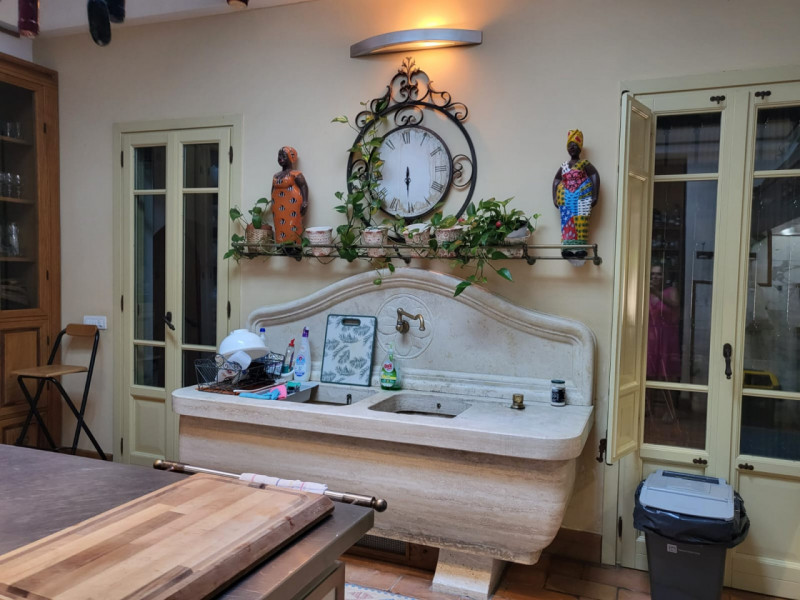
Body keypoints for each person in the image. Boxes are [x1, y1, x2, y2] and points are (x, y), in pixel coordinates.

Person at [552, 129, 600, 259]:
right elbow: (556, 180)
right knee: (566, 222)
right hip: (566, 199)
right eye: (570, 145)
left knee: (581, 221)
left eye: (575, 145)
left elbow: (594, 175)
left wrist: (595, 195)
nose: (572, 148)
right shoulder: (564, 165)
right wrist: (554, 197)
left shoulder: (584, 164)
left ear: (580, 147)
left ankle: (581, 249)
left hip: (582, 198)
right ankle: (566, 248)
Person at [647, 264, 681, 381]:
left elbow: (675, 305)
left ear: (664, 276)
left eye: (659, 274)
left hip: (667, 336)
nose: (655, 277)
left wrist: (657, 293)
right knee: (649, 373)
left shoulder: (671, 291)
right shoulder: (646, 292)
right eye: (652, 274)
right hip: (650, 337)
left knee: (666, 373)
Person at [271, 146, 308, 245]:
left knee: (293, 224)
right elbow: (272, 190)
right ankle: (281, 245)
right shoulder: (275, 175)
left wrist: (305, 201)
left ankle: (294, 247)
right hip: (277, 206)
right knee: (279, 225)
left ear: (291, 157)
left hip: (293, 205)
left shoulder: (296, 174)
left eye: (284, 156)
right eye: (279, 155)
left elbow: (304, 186)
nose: (280, 158)